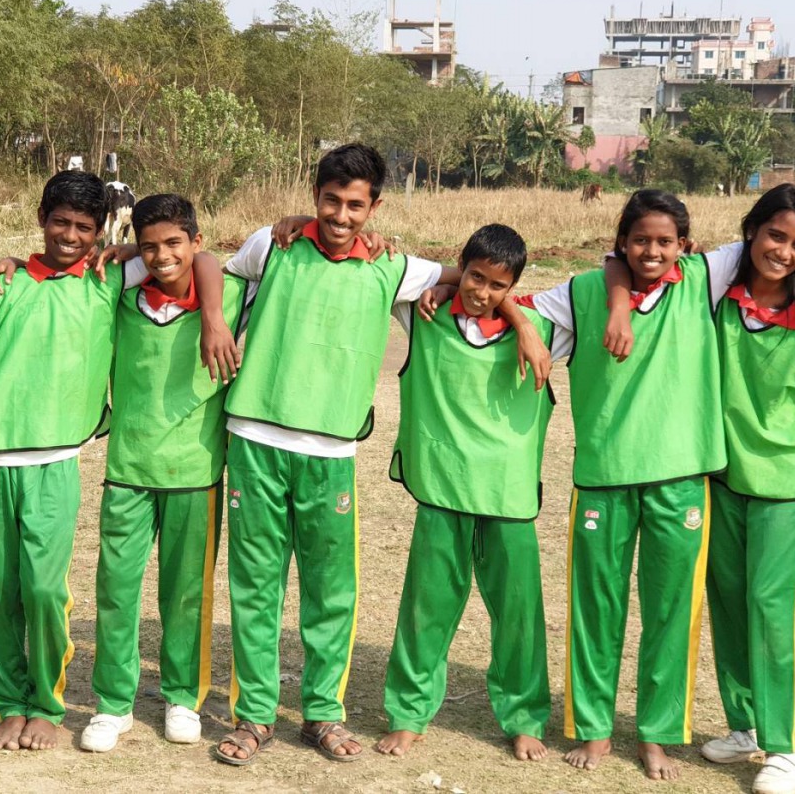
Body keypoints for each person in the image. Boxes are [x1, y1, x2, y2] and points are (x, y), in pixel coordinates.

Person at [212, 143, 550, 766]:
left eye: (356, 205)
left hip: (332, 449)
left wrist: (522, 322)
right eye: (331, 202)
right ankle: (255, 714)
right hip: (255, 439)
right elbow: (216, 272)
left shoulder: (394, 267)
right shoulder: (272, 245)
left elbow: (471, 278)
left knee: (330, 590)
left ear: (376, 206)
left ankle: (322, 713)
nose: (342, 216)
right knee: (255, 586)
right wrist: (215, 319)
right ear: (314, 197)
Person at [528, 189, 795, 782]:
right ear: (619, 242)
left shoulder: (702, 278)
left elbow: (794, 257)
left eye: (666, 242)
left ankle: (660, 734)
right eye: (639, 240)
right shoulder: (580, 292)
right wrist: (451, 289)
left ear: (688, 247)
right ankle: (594, 728)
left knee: (675, 612)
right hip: (602, 477)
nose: (653, 251)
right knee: (597, 609)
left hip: (685, 480)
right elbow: (508, 303)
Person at [0, 169, 136, 752]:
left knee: (42, 587)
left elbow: (180, 251)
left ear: (98, 231)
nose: (69, 235)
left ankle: (47, 702)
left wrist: (121, 243)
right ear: (41, 219)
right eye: (59, 222)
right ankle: (8, 703)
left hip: (56, 457)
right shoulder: (0, 285)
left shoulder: (106, 278)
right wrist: (7, 260)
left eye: (83, 227)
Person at [375, 224, 556, 762]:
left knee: (520, 615)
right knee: (424, 609)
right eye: (474, 277)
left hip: (509, 497)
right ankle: (409, 714)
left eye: (498, 286)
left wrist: (522, 320)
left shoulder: (547, 327)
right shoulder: (423, 315)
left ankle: (524, 718)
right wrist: (447, 285)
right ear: (461, 268)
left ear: (515, 286)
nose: (482, 292)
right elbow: (381, 270)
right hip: (442, 489)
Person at [79, 194, 249, 753]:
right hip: (128, 468)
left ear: (195, 243)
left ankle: (182, 695)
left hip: (196, 473)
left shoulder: (230, 296)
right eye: (148, 245)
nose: (161, 256)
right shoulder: (121, 291)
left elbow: (226, 258)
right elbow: (74, 261)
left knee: (185, 594)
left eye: (173, 243)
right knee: (116, 589)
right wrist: (126, 248)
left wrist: (215, 316)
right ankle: (112, 703)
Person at [696, 185, 795, 794]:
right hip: (725, 474)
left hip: (789, 483)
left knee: (773, 609)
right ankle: (747, 727)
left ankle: (789, 746)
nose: (782, 252)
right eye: (774, 235)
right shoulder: (717, 295)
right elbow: (639, 257)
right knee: (729, 604)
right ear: (751, 232)